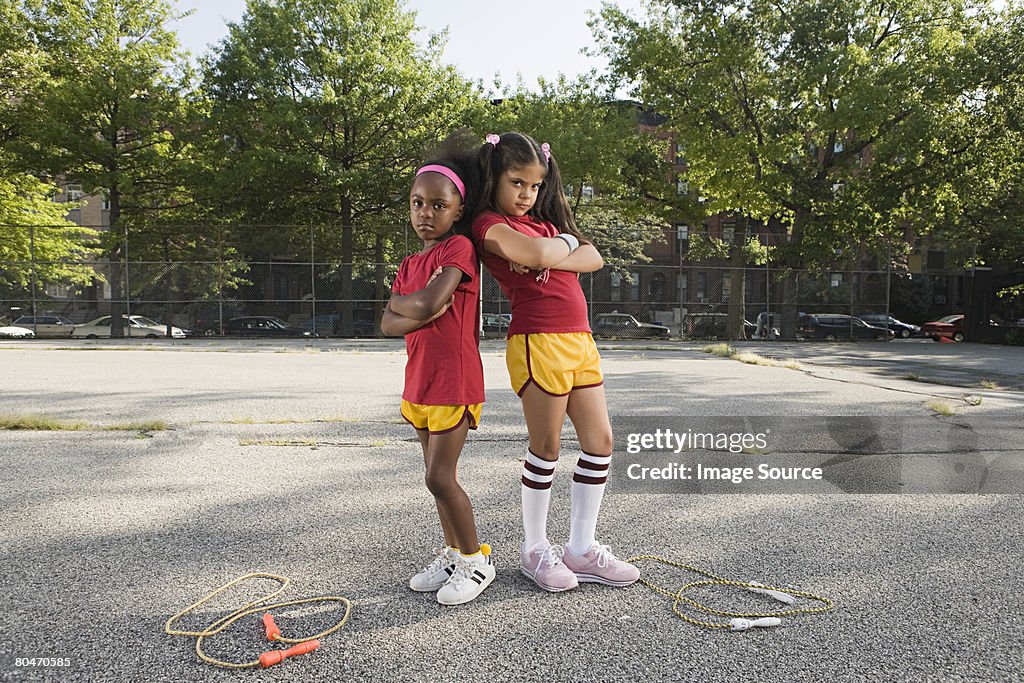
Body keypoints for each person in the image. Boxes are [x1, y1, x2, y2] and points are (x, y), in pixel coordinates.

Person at [470, 132, 640, 592]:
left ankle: (581, 549)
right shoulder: (489, 224)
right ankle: (534, 549)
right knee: (546, 447)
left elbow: (595, 257)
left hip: (580, 340)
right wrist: (560, 250)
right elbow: (540, 255)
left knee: (600, 442)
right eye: (517, 183)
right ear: (495, 180)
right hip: (536, 340)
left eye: (536, 185)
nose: (527, 194)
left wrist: (559, 242)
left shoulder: (548, 225)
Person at [380, 150, 494, 605]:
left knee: (439, 478)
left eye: (438, 205)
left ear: (458, 210)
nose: (426, 213)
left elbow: (424, 305)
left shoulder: (459, 249)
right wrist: (417, 306)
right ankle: (452, 555)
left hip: (454, 381)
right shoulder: (410, 263)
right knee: (435, 477)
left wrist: (410, 306)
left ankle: (476, 560)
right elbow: (388, 323)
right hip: (421, 382)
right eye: (417, 203)